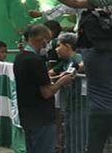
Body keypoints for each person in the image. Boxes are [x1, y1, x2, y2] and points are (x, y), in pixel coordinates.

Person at [13, 24, 75, 153]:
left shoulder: (20, 58)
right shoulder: (35, 61)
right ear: (42, 40)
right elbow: (46, 92)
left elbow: (33, 82)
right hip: (42, 118)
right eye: (48, 40)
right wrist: (62, 81)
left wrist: (52, 78)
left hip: (27, 116)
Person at [49, 33, 84, 153]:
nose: (56, 49)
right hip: (69, 106)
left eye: (59, 46)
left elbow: (75, 71)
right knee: (69, 138)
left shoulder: (77, 58)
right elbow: (52, 73)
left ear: (68, 46)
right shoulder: (64, 62)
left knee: (77, 139)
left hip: (80, 107)